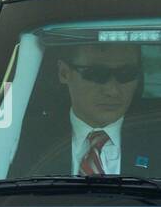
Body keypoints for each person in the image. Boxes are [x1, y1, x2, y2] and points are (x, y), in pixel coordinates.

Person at [8, 41, 151, 177]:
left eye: (127, 74)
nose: (112, 90)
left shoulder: (155, 135)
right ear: (64, 73)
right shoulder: (18, 140)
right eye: (97, 74)